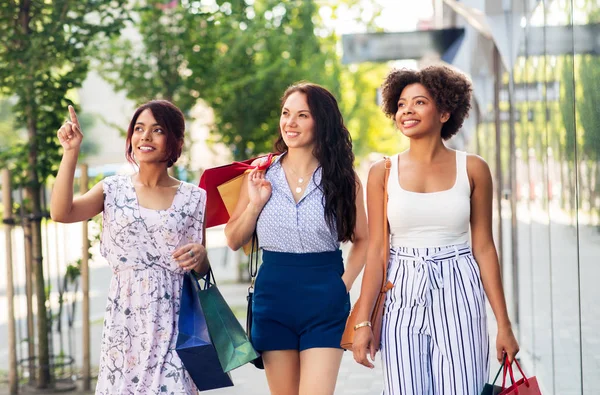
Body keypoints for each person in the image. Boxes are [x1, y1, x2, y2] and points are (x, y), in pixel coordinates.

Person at [351, 65, 520, 394]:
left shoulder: (473, 169)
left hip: (459, 285)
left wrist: (504, 324)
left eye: (419, 102)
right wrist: (363, 321)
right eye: (401, 104)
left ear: (445, 112)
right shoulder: (381, 173)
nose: (407, 111)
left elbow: (484, 247)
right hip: (401, 289)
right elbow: (376, 252)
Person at [50, 101, 209, 394]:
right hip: (124, 322)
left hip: (175, 323)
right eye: (139, 129)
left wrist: (201, 257)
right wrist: (70, 152)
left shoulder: (194, 198)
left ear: (175, 140)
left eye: (157, 130)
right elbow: (62, 212)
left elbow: (201, 270)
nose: (145, 137)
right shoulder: (112, 189)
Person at [224, 82, 368, 395]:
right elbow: (234, 239)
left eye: (302, 115)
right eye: (286, 113)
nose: (290, 122)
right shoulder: (259, 174)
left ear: (322, 121)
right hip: (273, 300)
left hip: (325, 299)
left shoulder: (343, 178)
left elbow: (363, 239)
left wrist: (342, 285)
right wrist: (255, 204)